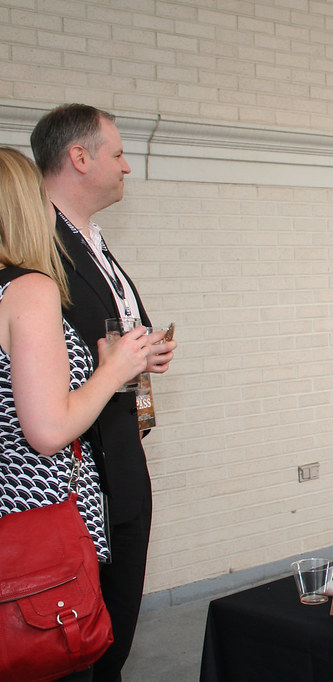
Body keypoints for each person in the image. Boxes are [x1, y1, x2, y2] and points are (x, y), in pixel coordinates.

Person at [31, 104, 179, 680]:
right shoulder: (35, 249)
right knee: (74, 645)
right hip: (68, 480)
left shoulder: (93, 241)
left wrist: (142, 354)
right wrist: (113, 369)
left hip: (120, 459)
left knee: (110, 637)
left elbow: (102, 338)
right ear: (79, 157)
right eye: (118, 154)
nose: (126, 168)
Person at [0, 148, 148, 594]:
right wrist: (112, 370)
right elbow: (47, 430)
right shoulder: (27, 288)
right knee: (72, 655)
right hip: (36, 521)